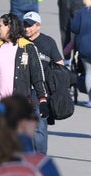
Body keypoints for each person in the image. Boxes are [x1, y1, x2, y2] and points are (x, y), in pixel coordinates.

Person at [0, 13, 50, 132]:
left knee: (18, 143)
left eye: (0, 26)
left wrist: (43, 100)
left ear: (9, 27)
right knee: (1, 142)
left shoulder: (27, 48)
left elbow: (37, 76)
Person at [23, 11, 63, 154]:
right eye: (25, 25)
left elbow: (60, 65)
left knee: (40, 127)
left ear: (38, 26)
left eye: (30, 25)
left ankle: (39, 159)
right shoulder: (20, 41)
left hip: (41, 91)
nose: (27, 28)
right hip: (22, 90)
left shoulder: (48, 42)